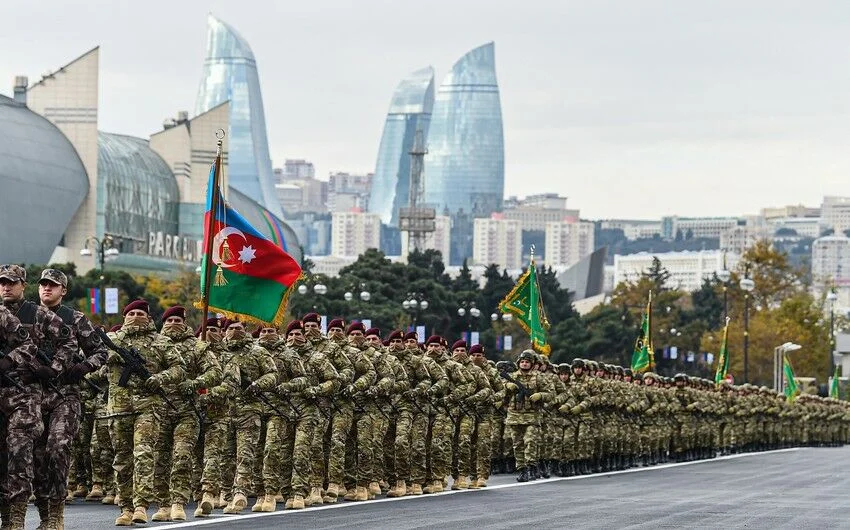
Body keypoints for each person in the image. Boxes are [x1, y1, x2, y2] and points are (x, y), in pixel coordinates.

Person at [0, 264, 77, 529]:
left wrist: (54, 368)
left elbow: (69, 342)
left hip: (27, 394)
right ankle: (7, 518)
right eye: (2, 283)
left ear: (23, 284)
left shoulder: (39, 313)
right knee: (4, 457)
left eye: (11, 282)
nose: (6, 287)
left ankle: (25, 518)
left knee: (23, 452)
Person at [35, 268, 108, 529]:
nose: (47, 289)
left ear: (63, 290)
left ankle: (56, 514)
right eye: (43, 284)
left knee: (57, 449)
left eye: (53, 285)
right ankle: (45, 517)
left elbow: (100, 352)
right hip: (31, 396)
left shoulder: (75, 319)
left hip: (65, 395)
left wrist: (83, 368)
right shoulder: (26, 316)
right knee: (36, 457)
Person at [106, 299, 184, 526]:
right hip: (118, 408)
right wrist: (106, 357)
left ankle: (141, 505)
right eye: (131, 314)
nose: (135, 317)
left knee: (143, 454)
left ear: (149, 318)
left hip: (148, 407)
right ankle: (125, 507)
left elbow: (178, 368)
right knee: (122, 458)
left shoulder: (161, 342)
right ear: (123, 317)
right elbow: (94, 357)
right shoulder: (113, 340)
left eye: (140, 313)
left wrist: (159, 378)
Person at [152, 306, 221, 522]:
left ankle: (178, 503)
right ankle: (162, 503)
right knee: (158, 459)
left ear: (184, 322)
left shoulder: (197, 346)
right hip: (157, 410)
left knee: (182, 456)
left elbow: (215, 372)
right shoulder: (154, 345)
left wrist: (194, 383)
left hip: (187, 411)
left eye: (177, 320)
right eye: (169, 320)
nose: (173, 324)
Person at [504, 350, 552, 482]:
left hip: (532, 416)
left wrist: (540, 395)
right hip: (514, 415)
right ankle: (522, 470)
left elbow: (550, 394)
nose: (524, 364)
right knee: (517, 444)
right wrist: (507, 386)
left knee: (530, 441)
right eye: (522, 362)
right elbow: (500, 394)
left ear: (532, 364)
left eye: (527, 362)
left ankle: (531, 467)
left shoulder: (539, 377)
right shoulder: (512, 376)